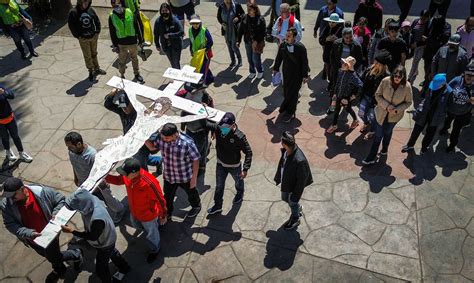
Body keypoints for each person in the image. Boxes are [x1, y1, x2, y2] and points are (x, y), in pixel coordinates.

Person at [1, 177, 83, 282]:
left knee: (53, 257)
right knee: (45, 254)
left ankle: (76, 254)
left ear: (23, 189)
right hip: (32, 239)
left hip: (50, 235)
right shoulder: (6, 205)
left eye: (13, 195)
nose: (10, 199)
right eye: (8, 196)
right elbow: (9, 224)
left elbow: (61, 200)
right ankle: (59, 269)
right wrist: (28, 233)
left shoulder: (42, 193)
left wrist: (55, 213)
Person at [105, 158, 167, 263]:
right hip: (134, 211)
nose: (123, 175)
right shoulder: (127, 177)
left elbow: (160, 200)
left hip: (148, 216)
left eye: (125, 173)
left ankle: (155, 249)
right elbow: (119, 180)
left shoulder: (149, 183)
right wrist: (106, 177)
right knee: (136, 224)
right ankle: (154, 228)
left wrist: (163, 215)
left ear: (135, 173)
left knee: (152, 234)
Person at [61, 189, 131, 283]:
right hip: (108, 236)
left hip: (104, 243)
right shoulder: (92, 200)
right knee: (112, 252)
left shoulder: (97, 218)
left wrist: (72, 231)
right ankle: (124, 267)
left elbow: (93, 236)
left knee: (101, 270)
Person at [64, 131, 125, 224]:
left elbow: (100, 172)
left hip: (98, 184)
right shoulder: (71, 152)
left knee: (108, 199)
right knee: (95, 201)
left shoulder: (92, 155)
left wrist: (102, 184)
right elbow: (74, 165)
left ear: (79, 144)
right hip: (85, 184)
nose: (69, 149)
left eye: (70, 146)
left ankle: (119, 210)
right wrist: (76, 177)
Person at [145, 123, 202, 219]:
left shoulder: (187, 143)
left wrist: (194, 178)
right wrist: (143, 138)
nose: (164, 140)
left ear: (175, 134)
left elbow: (196, 159)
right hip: (169, 176)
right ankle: (168, 213)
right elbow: (152, 147)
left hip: (185, 176)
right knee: (167, 197)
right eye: (163, 138)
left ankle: (196, 206)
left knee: (191, 193)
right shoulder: (161, 138)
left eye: (167, 138)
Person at [103, 89, 162, 173]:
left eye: (126, 106)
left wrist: (146, 140)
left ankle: (145, 182)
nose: (125, 109)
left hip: (141, 147)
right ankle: (158, 161)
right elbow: (107, 104)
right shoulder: (122, 111)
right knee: (142, 159)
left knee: (140, 169)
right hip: (130, 144)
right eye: (122, 107)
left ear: (132, 102)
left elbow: (155, 136)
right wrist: (112, 93)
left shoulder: (142, 115)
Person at [363, 66, 412, 164]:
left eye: (400, 76)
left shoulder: (407, 87)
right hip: (381, 113)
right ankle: (371, 157)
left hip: (394, 117)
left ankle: (384, 149)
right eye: (395, 75)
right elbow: (377, 95)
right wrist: (387, 106)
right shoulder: (385, 81)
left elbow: (408, 102)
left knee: (388, 132)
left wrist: (397, 110)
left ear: (403, 76)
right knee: (378, 135)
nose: (397, 78)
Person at [206, 112, 253, 215]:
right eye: (221, 125)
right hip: (220, 164)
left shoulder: (239, 137)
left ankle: (240, 193)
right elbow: (206, 123)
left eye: (226, 126)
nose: (223, 128)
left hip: (234, 166)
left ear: (233, 125)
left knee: (238, 182)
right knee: (219, 186)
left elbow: (248, 152)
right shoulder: (218, 128)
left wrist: (245, 168)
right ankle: (217, 206)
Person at [402, 73, 451, 155]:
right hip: (424, 112)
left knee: (430, 134)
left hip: (436, 116)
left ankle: (424, 148)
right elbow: (426, 98)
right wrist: (421, 106)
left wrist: (443, 115)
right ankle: (410, 145)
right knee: (416, 130)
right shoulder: (431, 87)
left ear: (443, 85)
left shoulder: (449, 92)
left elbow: (449, 106)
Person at [273, 132, 312, 230]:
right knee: (285, 198)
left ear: (285, 144)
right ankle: (297, 208)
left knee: (292, 202)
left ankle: (295, 219)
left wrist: (295, 196)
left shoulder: (299, 160)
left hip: (293, 188)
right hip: (286, 183)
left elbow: (301, 181)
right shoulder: (286, 152)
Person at [272, 27, 310, 123]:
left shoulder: (300, 47)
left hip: (297, 74)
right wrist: (276, 69)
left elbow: (305, 62)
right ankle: (285, 108)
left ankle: (290, 112)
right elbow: (279, 58)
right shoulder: (283, 45)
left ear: (294, 37)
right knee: (286, 91)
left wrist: (305, 75)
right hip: (286, 73)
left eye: (289, 36)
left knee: (293, 94)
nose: (287, 37)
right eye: (286, 35)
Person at [179, 83, 212, 181]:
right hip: (189, 127)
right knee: (191, 148)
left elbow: (212, 113)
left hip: (201, 129)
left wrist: (205, 108)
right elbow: (175, 97)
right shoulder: (186, 94)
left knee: (200, 151)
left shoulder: (205, 97)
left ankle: (201, 167)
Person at [68, 0, 106, 82]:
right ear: (80, 2)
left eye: (87, 2)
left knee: (94, 53)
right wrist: (78, 36)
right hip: (83, 39)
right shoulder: (73, 12)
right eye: (84, 2)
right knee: (87, 55)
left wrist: (97, 31)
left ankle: (97, 68)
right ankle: (91, 71)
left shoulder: (90, 10)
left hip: (93, 37)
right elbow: (71, 26)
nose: (86, 4)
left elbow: (96, 20)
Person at [440, 62, 474, 152]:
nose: (469, 77)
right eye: (468, 74)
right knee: (447, 121)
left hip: (463, 113)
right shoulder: (457, 80)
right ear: (464, 74)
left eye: (472, 75)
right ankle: (444, 129)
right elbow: (447, 87)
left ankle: (452, 145)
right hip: (451, 109)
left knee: (456, 130)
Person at [109, 0, 144, 83]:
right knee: (122, 61)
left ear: (121, 3)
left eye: (117, 4)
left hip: (132, 41)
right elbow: (112, 32)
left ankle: (137, 74)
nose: (116, 6)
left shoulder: (129, 12)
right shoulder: (112, 16)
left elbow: (136, 25)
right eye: (114, 5)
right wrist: (115, 45)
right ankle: (122, 75)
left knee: (134, 58)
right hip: (121, 43)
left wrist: (140, 39)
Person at [358, 51, 390, 139]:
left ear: (382, 64)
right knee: (361, 113)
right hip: (365, 96)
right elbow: (361, 79)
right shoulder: (370, 69)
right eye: (375, 61)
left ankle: (372, 130)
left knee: (373, 118)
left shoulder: (386, 76)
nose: (374, 63)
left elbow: (386, 92)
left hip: (376, 101)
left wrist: (379, 102)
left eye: (377, 62)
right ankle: (366, 123)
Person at [326, 56, 363, 134]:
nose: (342, 65)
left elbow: (360, 86)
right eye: (343, 63)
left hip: (346, 98)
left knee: (348, 109)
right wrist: (335, 93)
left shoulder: (353, 76)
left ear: (349, 66)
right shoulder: (341, 71)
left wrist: (351, 97)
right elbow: (338, 83)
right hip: (338, 95)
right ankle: (334, 125)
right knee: (336, 110)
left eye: (345, 64)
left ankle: (355, 120)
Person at [0, 84, 33, 162]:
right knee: (4, 138)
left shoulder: (1, 87)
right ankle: (8, 151)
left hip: (10, 118)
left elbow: (12, 95)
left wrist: (4, 92)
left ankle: (21, 153)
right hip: (0, 123)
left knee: (16, 136)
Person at [421, 15, 451, 91]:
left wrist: (427, 40)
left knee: (433, 73)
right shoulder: (433, 23)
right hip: (428, 53)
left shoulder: (446, 30)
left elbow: (440, 43)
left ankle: (427, 89)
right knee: (427, 70)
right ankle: (426, 82)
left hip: (437, 55)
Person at [329, 27, 363, 93]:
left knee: (347, 87)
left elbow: (359, 60)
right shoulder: (336, 43)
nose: (348, 39)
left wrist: (352, 69)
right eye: (346, 38)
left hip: (350, 70)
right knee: (336, 84)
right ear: (343, 36)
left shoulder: (357, 46)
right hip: (338, 69)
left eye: (350, 37)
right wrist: (336, 67)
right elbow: (332, 57)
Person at [237, 1, 266, 79]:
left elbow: (263, 32)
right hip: (247, 42)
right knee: (249, 58)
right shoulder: (244, 18)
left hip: (257, 43)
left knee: (256, 58)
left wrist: (256, 41)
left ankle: (260, 70)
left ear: (255, 10)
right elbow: (240, 30)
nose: (248, 11)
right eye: (247, 9)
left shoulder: (261, 19)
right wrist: (238, 40)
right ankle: (252, 71)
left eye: (250, 9)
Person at [154, 2, 184, 69]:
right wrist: (157, 45)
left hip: (176, 45)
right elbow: (156, 34)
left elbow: (181, 32)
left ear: (169, 11)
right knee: (172, 61)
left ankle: (178, 77)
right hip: (166, 46)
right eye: (163, 11)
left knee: (176, 62)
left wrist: (170, 35)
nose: (164, 12)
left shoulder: (175, 20)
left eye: (166, 10)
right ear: (160, 11)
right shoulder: (158, 21)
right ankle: (175, 75)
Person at [217, 0, 244, 68]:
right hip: (226, 30)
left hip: (234, 30)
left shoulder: (236, 5)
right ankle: (233, 61)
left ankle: (239, 59)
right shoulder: (221, 6)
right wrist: (222, 23)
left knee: (234, 46)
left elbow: (243, 14)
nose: (227, 1)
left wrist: (238, 18)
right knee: (229, 46)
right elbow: (218, 17)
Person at [189, 15, 214, 86]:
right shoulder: (190, 30)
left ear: (200, 22)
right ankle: (210, 78)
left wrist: (205, 50)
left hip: (205, 54)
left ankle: (203, 82)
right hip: (197, 54)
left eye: (197, 23)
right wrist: (191, 50)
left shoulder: (204, 30)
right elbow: (191, 41)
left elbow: (210, 42)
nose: (195, 25)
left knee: (203, 69)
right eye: (193, 23)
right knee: (204, 67)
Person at [318, 13, 344, 81]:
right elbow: (321, 40)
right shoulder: (327, 28)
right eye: (330, 21)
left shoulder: (341, 30)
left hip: (336, 56)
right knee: (328, 70)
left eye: (333, 22)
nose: (331, 23)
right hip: (327, 54)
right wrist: (326, 39)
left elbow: (345, 42)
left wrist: (337, 40)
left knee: (334, 72)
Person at [408, 9, 430, 84]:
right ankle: (415, 72)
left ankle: (409, 78)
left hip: (421, 47)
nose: (423, 20)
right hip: (413, 45)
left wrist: (417, 44)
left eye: (425, 18)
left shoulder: (428, 25)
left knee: (415, 62)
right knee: (415, 61)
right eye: (422, 18)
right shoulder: (416, 21)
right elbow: (411, 31)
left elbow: (427, 39)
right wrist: (411, 43)